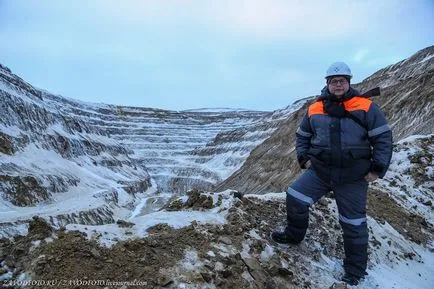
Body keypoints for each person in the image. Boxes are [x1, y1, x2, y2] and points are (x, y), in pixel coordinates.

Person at [271, 62, 393, 285]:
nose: (338, 84)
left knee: (353, 223)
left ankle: (355, 271)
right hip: (321, 171)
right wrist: (304, 158)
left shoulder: (366, 107)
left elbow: (383, 138)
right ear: (327, 83)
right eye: (333, 81)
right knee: (295, 197)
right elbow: (302, 136)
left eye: (342, 81)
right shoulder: (315, 108)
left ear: (349, 82)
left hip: (353, 176)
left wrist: (377, 168)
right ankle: (294, 235)